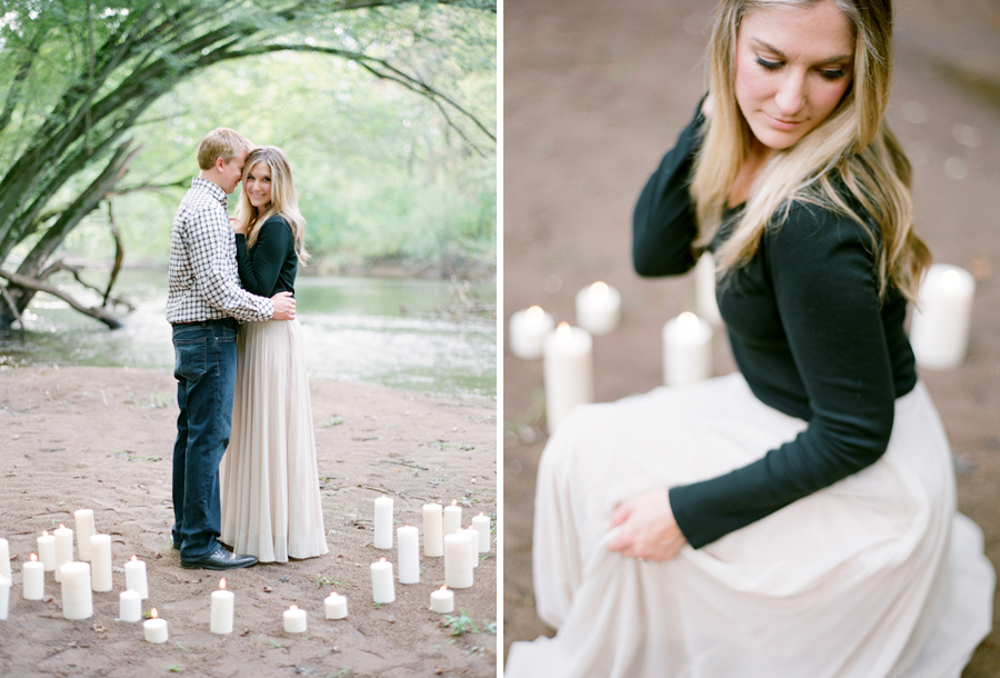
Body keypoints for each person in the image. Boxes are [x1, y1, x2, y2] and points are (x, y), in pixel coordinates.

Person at [505, 1, 994, 676]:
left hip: (862, 466)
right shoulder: (755, 128)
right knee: (578, 448)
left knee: (634, 530)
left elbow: (855, 433)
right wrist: (713, 118)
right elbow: (656, 253)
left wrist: (685, 513)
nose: (792, 101)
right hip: (788, 405)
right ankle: (596, 622)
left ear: (862, 72)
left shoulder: (812, 224)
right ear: (730, 42)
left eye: (829, 71)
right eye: (769, 61)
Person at [167, 128, 297, 570]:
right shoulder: (206, 210)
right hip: (207, 332)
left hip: (199, 332)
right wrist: (267, 308)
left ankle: (187, 533)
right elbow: (221, 290)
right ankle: (200, 544)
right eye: (243, 168)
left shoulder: (206, 206)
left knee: (193, 435)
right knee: (206, 438)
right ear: (222, 164)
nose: (245, 178)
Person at [219, 146, 328, 563]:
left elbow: (259, 289)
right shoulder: (257, 223)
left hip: (269, 336)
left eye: (266, 179)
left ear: (279, 183)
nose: (256, 186)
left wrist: (235, 239)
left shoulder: (277, 226)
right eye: (250, 177)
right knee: (252, 428)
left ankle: (269, 533)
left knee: (267, 428)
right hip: (259, 332)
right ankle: (248, 525)